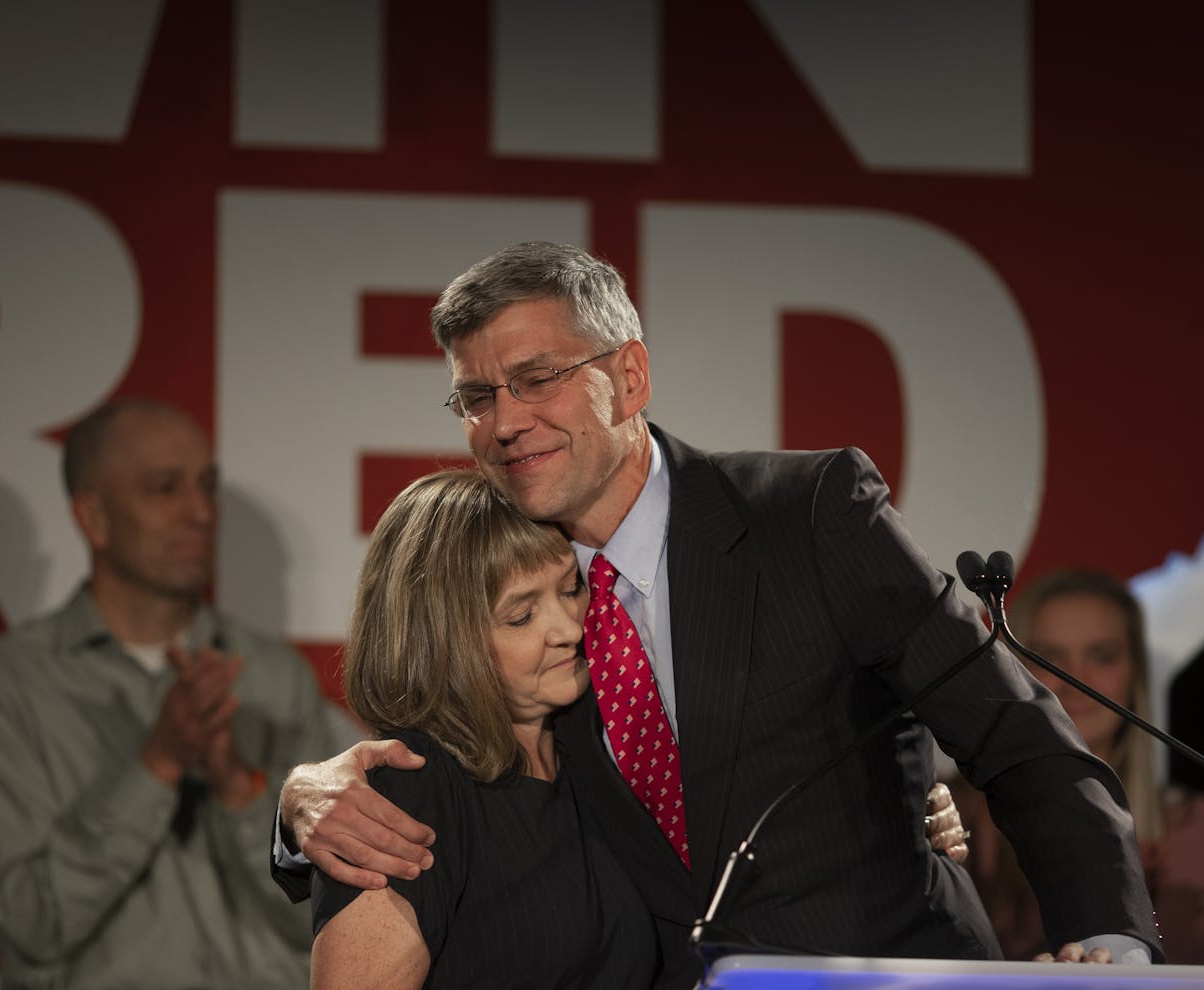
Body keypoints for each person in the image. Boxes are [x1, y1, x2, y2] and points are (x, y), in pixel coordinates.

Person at [274, 241, 1159, 987]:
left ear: (629, 375)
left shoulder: (809, 513)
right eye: (475, 397)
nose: (504, 422)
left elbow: (1015, 734)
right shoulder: (506, 588)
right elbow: (451, 779)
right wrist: (297, 811)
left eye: (536, 378)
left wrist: (1112, 942)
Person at [0, 398, 348, 989]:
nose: (200, 512)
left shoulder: (272, 675)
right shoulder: (9, 684)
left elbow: (326, 919)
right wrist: (158, 762)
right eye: (165, 489)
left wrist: (239, 788)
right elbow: (34, 923)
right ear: (94, 519)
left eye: (206, 486)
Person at [311, 468, 659, 988]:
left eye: (570, 589)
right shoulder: (410, 790)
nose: (568, 629)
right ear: (442, 643)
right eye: (521, 617)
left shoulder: (596, 750)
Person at [956, 569, 1204, 962]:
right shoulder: (955, 817)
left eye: (1102, 655)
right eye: (1049, 657)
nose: (1075, 679)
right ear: (1009, 667)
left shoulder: (1195, 831)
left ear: (1135, 673)